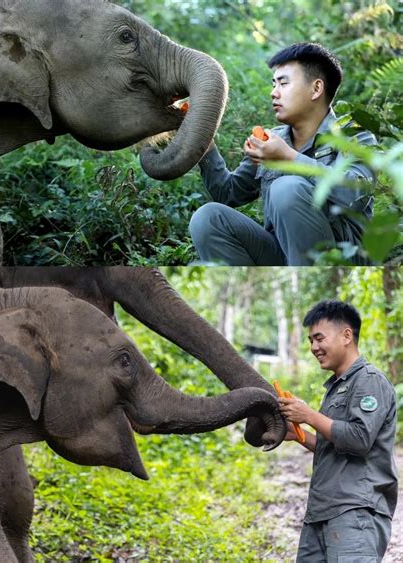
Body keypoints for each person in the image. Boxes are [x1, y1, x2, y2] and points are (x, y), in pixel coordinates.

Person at [189, 43, 377, 265]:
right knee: (209, 217)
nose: (273, 92)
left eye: (283, 83)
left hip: (342, 258)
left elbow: (355, 194)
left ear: (316, 89)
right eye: (273, 84)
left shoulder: (354, 135)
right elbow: (229, 193)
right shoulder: (273, 141)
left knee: (286, 188)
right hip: (283, 255)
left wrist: (289, 158)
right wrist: (202, 142)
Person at [279, 300, 398, 562]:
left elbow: (358, 439)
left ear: (347, 335)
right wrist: (298, 435)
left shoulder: (369, 380)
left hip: (355, 512)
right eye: (310, 340)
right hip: (321, 512)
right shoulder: (335, 388)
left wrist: (308, 415)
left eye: (319, 338)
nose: (313, 348)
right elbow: (334, 443)